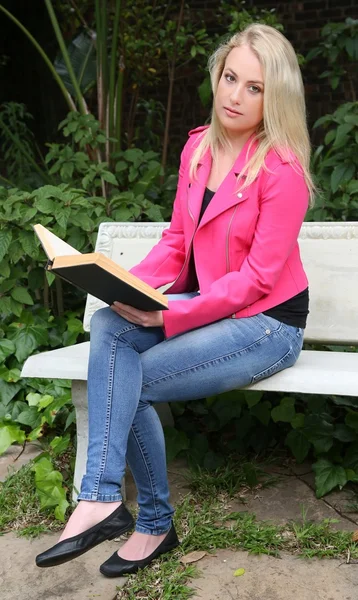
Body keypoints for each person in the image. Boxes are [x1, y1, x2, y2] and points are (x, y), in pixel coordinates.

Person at [35, 23, 314, 576]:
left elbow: (259, 279)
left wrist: (170, 313)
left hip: (266, 323)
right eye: (230, 78)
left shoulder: (283, 171)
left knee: (127, 379)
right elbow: (177, 242)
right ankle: (105, 499)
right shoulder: (197, 148)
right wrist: (121, 283)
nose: (234, 95)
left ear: (274, 96)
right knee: (112, 329)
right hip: (211, 303)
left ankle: (147, 520)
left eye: (253, 87)